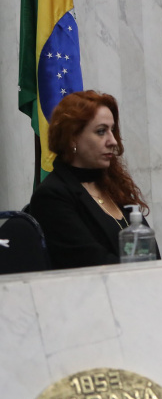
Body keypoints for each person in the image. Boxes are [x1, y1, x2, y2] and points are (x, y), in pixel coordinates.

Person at [29, 91, 153, 269]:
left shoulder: (113, 184)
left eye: (112, 130)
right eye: (101, 131)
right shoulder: (51, 196)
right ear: (72, 138)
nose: (113, 141)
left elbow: (150, 251)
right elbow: (90, 262)